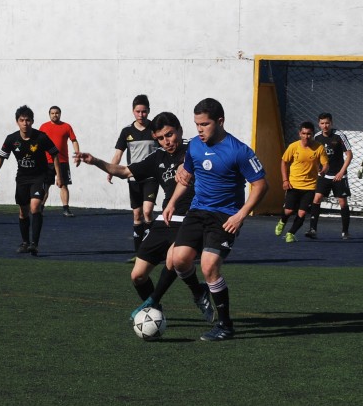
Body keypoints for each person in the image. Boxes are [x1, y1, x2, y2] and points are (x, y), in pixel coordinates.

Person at [77, 112, 214, 323]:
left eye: (170, 134)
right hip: (166, 218)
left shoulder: (195, 149)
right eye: (160, 138)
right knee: (137, 276)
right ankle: (161, 309)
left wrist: (188, 165)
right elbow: (124, 171)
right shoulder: (157, 157)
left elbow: (207, 155)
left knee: (173, 257)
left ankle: (153, 301)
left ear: (180, 130)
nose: (166, 141)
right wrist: (94, 161)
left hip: (192, 218)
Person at [164, 98, 267, 342]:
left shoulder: (239, 150)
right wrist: (171, 202)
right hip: (197, 210)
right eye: (197, 124)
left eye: (205, 124)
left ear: (220, 121)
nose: (199, 129)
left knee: (209, 266)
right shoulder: (195, 147)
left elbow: (261, 185)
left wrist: (241, 215)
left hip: (225, 215)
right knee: (178, 260)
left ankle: (225, 325)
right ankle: (198, 291)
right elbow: (186, 176)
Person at [0, 105, 62, 256]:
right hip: (22, 178)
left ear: (32, 121)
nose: (25, 123)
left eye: (28, 120)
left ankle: (34, 244)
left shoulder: (41, 137)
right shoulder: (11, 139)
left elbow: (55, 155)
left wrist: (58, 175)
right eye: (22, 120)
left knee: (35, 207)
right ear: (17, 122)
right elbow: (1, 157)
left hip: (39, 176)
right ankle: (25, 242)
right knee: (23, 212)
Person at [109, 94, 159, 262]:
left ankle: (153, 250)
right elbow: (118, 154)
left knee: (147, 212)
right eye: (138, 111)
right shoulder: (127, 132)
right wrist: (111, 170)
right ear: (133, 112)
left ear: (149, 111)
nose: (141, 115)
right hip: (133, 178)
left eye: (144, 111)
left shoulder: (155, 129)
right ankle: (139, 255)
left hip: (151, 177)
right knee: (137, 215)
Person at [274, 122, 328, 243]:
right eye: (303, 133)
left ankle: (290, 233)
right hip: (293, 184)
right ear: (299, 134)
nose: (306, 136)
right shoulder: (293, 147)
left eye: (309, 134)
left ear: (313, 134)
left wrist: (323, 170)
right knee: (288, 210)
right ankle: (282, 221)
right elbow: (284, 162)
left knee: (302, 213)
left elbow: (325, 164)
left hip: (310, 186)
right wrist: (285, 180)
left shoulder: (319, 147)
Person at [306, 113, 354, 239]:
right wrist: (316, 170)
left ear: (331, 123)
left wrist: (341, 172)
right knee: (316, 199)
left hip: (339, 175)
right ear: (319, 124)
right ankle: (312, 230)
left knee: (342, 202)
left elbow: (349, 155)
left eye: (327, 123)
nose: (325, 126)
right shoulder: (316, 137)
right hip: (324, 175)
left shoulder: (339, 136)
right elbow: (313, 156)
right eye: (322, 123)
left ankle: (345, 232)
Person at [39, 105, 80, 217]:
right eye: (52, 113)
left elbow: (74, 140)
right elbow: (37, 143)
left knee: (63, 185)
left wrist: (78, 155)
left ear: (60, 114)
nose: (54, 115)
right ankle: (40, 209)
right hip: (46, 162)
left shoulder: (66, 126)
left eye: (57, 113)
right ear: (49, 114)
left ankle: (66, 209)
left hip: (62, 161)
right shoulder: (43, 127)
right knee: (45, 186)